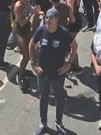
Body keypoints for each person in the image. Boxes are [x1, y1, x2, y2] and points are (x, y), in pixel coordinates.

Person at [30, 7, 77, 135]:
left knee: (59, 98)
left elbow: (74, 46)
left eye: (50, 18)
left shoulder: (63, 32)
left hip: (58, 73)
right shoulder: (41, 30)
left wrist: (68, 64)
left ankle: (59, 122)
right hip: (43, 73)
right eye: (46, 18)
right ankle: (43, 123)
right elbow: (31, 44)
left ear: (57, 20)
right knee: (43, 98)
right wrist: (33, 63)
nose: (47, 20)